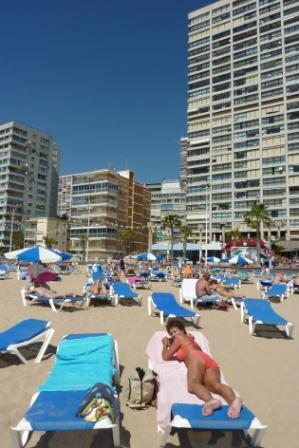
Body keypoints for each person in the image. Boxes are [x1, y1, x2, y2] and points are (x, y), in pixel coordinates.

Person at [162, 318, 242, 418]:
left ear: (182, 329)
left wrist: (165, 345)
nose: (173, 334)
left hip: (195, 358)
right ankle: (234, 401)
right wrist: (170, 341)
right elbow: (179, 343)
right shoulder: (189, 338)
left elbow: (166, 357)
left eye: (175, 330)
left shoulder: (179, 338)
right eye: (171, 333)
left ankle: (211, 401)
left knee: (193, 385)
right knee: (214, 385)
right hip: (207, 360)